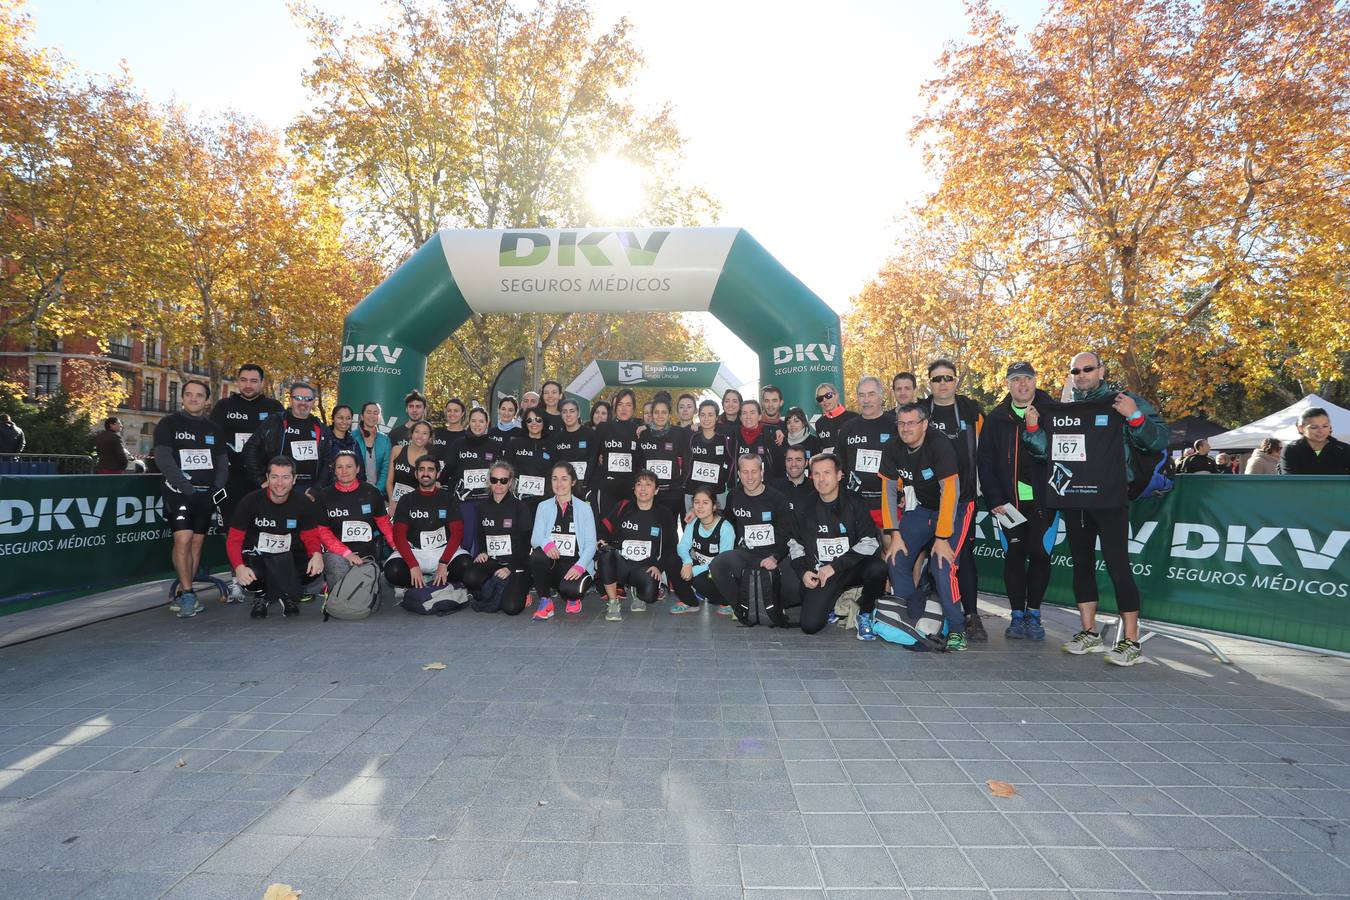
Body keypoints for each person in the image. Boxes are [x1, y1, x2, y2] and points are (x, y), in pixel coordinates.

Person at [1022, 351, 1168, 666]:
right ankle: (1089, 633)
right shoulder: (1063, 410)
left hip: (1112, 499)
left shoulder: (1123, 401)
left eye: (1088, 369)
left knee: (1118, 567)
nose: (1081, 374)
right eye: (1075, 370)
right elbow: (1047, 453)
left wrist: (1135, 417)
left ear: (1101, 370)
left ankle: (1131, 641)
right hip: (1075, 499)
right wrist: (1033, 430)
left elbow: (1157, 440)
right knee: (1082, 565)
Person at [879, 403, 969, 651]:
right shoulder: (892, 446)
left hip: (956, 506)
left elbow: (950, 491)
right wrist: (894, 533)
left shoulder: (939, 444)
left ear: (925, 425)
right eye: (901, 423)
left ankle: (958, 629)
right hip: (922, 507)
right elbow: (887, 491)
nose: (905, 428)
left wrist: (942, 537)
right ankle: (914, 616)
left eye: (911, 423)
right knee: (895, 558)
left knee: (942, 565)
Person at [977, 362, 1056, 641]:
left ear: (1035, 381)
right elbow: (984, 462)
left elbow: (1058, 456)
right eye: (1015, 380)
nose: (1022, 385)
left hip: (1043, 501)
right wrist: (995, 498)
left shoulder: (1052, 412)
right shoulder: (997, 418)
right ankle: (1017, 615)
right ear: (1008, 385)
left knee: (1039, 553)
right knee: (1014, 555)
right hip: (1008, 504)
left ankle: (1034, 613)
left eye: (1027, 379)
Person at [918, 359, 987, 641]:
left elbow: (986, 451)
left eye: (948, 378)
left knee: (961, 557)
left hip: (963, 499)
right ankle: (935, 610)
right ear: (929, 384)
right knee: (927, 555)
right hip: (927, 500)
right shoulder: (921, 412)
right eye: (937, 379)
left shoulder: (972, 411)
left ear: (956, 381)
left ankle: (970, 615)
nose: (943, 383)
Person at [790, 453, 888, 637]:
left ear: (839, 475)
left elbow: (870, 541)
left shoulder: (855, 502)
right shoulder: (804, 506)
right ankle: (836, 602)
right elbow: (795, 543)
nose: (821, 479)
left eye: (826, 473)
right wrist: (803, 572)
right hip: (822, 572)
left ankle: (865, 612)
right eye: (816, 474)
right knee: (810, 625)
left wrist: (835, 566)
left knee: (878, 568)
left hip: (852, 567)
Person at [153, 380, 229, 618]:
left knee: (196, 543)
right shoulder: (168, 424)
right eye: (189, 395)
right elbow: (164, 460)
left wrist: (215, 489)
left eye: (199, 395)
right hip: (179, 493)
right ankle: (187, 593)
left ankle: (187, 592)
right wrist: (186, 488)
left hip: (206, 495)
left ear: (207, 400)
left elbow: (222, 463)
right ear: (182, 398)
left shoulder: (214, 429)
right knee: (183, 539)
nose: (193, 399)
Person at [227, 456, 337, 619]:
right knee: (250, 576)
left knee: (314, 566)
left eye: (285, 477)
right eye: (275, 477)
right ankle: (261, 594)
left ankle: (286, 592)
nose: (280, 483)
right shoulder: (250, 501)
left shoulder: (303, 502)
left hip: (289, 558)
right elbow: (234, 539)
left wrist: (316, 554)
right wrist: (238, 567)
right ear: (267, 478)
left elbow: (310, 536)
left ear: (294, 479)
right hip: (258, 557)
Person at [211, 364, 285, 600]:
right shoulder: (224, 406)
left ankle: (268, 581)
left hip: (265, 480)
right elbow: (214, 441)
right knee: (233, 530)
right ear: (237, 382)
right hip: (232, 480)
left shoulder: (273, 408)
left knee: (267, 529)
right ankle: (236, 581)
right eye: (243, 380)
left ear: (262, 383)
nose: (248, 385)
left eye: (253, 380)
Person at [709, 454, 801, 625]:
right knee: (717, 565)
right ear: (738, 474)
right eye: (745, 472)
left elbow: (788, 534)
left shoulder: (777, 498)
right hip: (747, 555)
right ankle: (742, 607)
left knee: (795, 586)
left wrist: (775, 557)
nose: (749, 477)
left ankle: (773, 604)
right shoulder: (734, 495)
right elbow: (725, 522)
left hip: (775, 556)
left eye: (754, 471)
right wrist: (701, 514)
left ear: (762, 472)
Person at [314, 450, 395, 607]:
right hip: (338, 555)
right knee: (343, 599)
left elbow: (384, 523)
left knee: (370, 606)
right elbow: (323, 532)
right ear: (334, 469)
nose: (344, 471)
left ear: (358, 469)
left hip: (367, 557)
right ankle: (333, 594)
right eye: (340, 467)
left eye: (349, 466)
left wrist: (396, 546)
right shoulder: (324, 495)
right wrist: (347, 554)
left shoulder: (372, 492)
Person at [597, 470, 680, 621]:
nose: (643, 488)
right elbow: (604, 527)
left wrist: (659, 567)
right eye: (639, 484)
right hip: (621, 564)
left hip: (646, 567)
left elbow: (671, 546)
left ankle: (637, 592)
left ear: (656, 490)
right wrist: (601, 539)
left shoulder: (664, 514)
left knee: (649, 596)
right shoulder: (623, 507)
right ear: (634, 489)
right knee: (606, 553)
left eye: (648, 485)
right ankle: (613, 602)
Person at [459, 461, 534, 615]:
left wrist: (510, 568)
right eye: (494, 480)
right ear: (489, 481)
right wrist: (482, 551)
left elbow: (526, 544)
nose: (498, 484)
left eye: (503, 480)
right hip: (493, 562)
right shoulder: (482, 507)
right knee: (470, 577)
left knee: (511, 608)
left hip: (516, 564)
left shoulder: (520, 507)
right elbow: (480, 534)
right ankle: (498, 586)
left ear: (511, 482)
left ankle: (516, 587)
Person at [385, 456, 466, 593]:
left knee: (465, 565)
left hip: (441, 551)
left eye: (430, 470)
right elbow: (399, 536)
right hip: (415, 551)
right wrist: (412, 565)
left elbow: (457, 533)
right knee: (393, 571)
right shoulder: (406, 500)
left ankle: (429, 584)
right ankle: (428, 584)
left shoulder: (448, 498)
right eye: (421, 470)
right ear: (416, 474)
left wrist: (444, 562)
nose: (426, 473)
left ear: (438, 474)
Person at [529, 462, 598, 619]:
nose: (559, 484)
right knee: (537, 555)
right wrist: (546, 544)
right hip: (554, 565)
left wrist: (580, 566)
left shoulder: (584, 508)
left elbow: (590, 544)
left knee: (571, 592)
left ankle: (572, 596)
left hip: (576, 566)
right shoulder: (543, 506)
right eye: (555, 479)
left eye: (564, 479)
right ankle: (545, 601)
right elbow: (535, 539)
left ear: (573, 481)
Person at [241, 381, 334, 495]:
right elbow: (250, 448)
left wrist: (317, 488)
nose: (303, 402)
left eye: (308, 399)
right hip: (278, 487)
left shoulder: (322, 428)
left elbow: (327, 461)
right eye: (298, 398)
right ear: (290, 400)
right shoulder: (275, 422)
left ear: (314, 402)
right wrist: (261, 480)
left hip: (307, 490)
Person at [672, 485, 737, 615]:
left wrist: (694, 570)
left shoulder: (726, 528)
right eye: (697, 502)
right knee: (673, 561)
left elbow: (722, 562)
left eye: (705, 502)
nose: (700, 506)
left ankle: (727, 602)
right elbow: (682, 546)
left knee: (698, 579)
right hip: (704, 570)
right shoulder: (693, 523)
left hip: (722, 574)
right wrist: (687, 562)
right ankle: (690, 601)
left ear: (714, 506)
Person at [836, 376, 893, 521]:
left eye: (871, 394)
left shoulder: (895, 425)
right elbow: (840, 462)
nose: (866, 400)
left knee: (890, 543)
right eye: (862, 395)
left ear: (881, 396)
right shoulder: (847, 428)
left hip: (889, 503)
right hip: (856, 504)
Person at [448, 407, 497, 555]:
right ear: (468, 422)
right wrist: (437, 482)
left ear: (487, 423)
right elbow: (449, 468)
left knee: (481, 539)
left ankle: (477, 572)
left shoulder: (494, 446)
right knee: (467, 537)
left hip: (487, 499)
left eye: (481, 421)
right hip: (465, 499)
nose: (477, 424)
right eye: (474, 421)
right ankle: (461, 567)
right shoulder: (459, 443)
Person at [637, 397, 689, 523]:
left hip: (672, 493)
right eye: (656, 412)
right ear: (652, 414)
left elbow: (688, 460)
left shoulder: (679, 433)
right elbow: (637, 462)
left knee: (669, 530)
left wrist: (682, 484)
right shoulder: (643, 434)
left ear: (669, 415)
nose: (660, 416)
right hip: (649, 494)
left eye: (664, 412)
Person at [594, 388, 644, 513]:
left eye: (628, 405)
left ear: (633, 408)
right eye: (620, 404)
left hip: (630, 489)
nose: (624, 408)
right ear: (615, 407)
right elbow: (593, 456)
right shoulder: (603, 428)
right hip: (607, 488)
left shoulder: (639, 430)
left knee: (626, 528)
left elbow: (640, 460)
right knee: (607, 527)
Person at [684, 399, 733, 512]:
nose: (706, 419)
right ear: (699, 417)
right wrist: (645, 427)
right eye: (703, 415)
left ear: (716, 417)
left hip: (717, 492)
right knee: (692, 526)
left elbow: (730, 461)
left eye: (710, 415)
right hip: (692, 492)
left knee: (717, 527)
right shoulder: (691, 436)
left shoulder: (724, 439)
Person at [547, 399, 598, 498]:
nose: (568, 415)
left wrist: (586, 484)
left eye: (572, 411)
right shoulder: (557, 438)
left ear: (578, 414)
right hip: (564, 489)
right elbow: (554, 465)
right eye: (564, 412)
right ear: (561, 415)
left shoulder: (590, 434)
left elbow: (593, 461)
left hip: (585, 487)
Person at [387, 421, 438, 517]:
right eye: (417, 432)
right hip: (395, 503)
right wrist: (392, 502)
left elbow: (431, 485)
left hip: (418, 506)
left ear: (430, 438)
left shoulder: (431, 458)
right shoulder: (397, 450)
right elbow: (389, 481)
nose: (420, 436)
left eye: (425, 433)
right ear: (411, 434)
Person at [1279, 407, 1350, 474]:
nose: (1321, 431)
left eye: (1325, 426)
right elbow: (1289, 481)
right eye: (1314, 427)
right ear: (1301, 428)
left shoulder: (1344, 449)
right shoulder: (1291, 450)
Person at [508, 408, 552, 513]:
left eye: (538, 419)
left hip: (544, 501)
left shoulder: (552, 445)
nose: (534, 423)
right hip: (518, 500)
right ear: (525, 423)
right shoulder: (515, 443)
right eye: (529, 420)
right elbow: (506, 468)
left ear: (544, 421)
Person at [732, 399, 779, 488]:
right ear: (740, 417)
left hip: (766, 490)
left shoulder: (770, 436)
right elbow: (716, 427)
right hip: (741, 489)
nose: (748, 416)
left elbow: (778, 466)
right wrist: (698, 425)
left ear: (760, 416)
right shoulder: (734, 435)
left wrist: (777, 429)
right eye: (744, 413)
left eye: (752, 412)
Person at [811, 382, 857, 457]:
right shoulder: (819, 423)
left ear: (836, 396)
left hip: (849, 466)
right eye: (820, 398)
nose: (824, 400)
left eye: (828, 395)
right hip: (830, 467)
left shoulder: (853, 417)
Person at [357, 402, 392, 496]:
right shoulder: (352, 437)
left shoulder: (385, 439)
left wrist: (376, 491)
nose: (372, 415)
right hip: (355, 492)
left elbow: (386, 468)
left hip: (378, 493)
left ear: (379, 417)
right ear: (362, 416)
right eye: (369, 412)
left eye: (375, 413)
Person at [324, 405, 361, 484]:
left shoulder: (353, 443)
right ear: (333, 418)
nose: (344, 421)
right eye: (340, 418)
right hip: (326, 490)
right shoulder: (324, 440)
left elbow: (361, 470)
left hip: (350, 490)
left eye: (348, 418)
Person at [772, 445, 814, 512]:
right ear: (785, 462)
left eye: (798, 460)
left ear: (806, 463)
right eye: (789, 460)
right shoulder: (774, 488)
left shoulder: (815, 487)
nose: (793, 464)